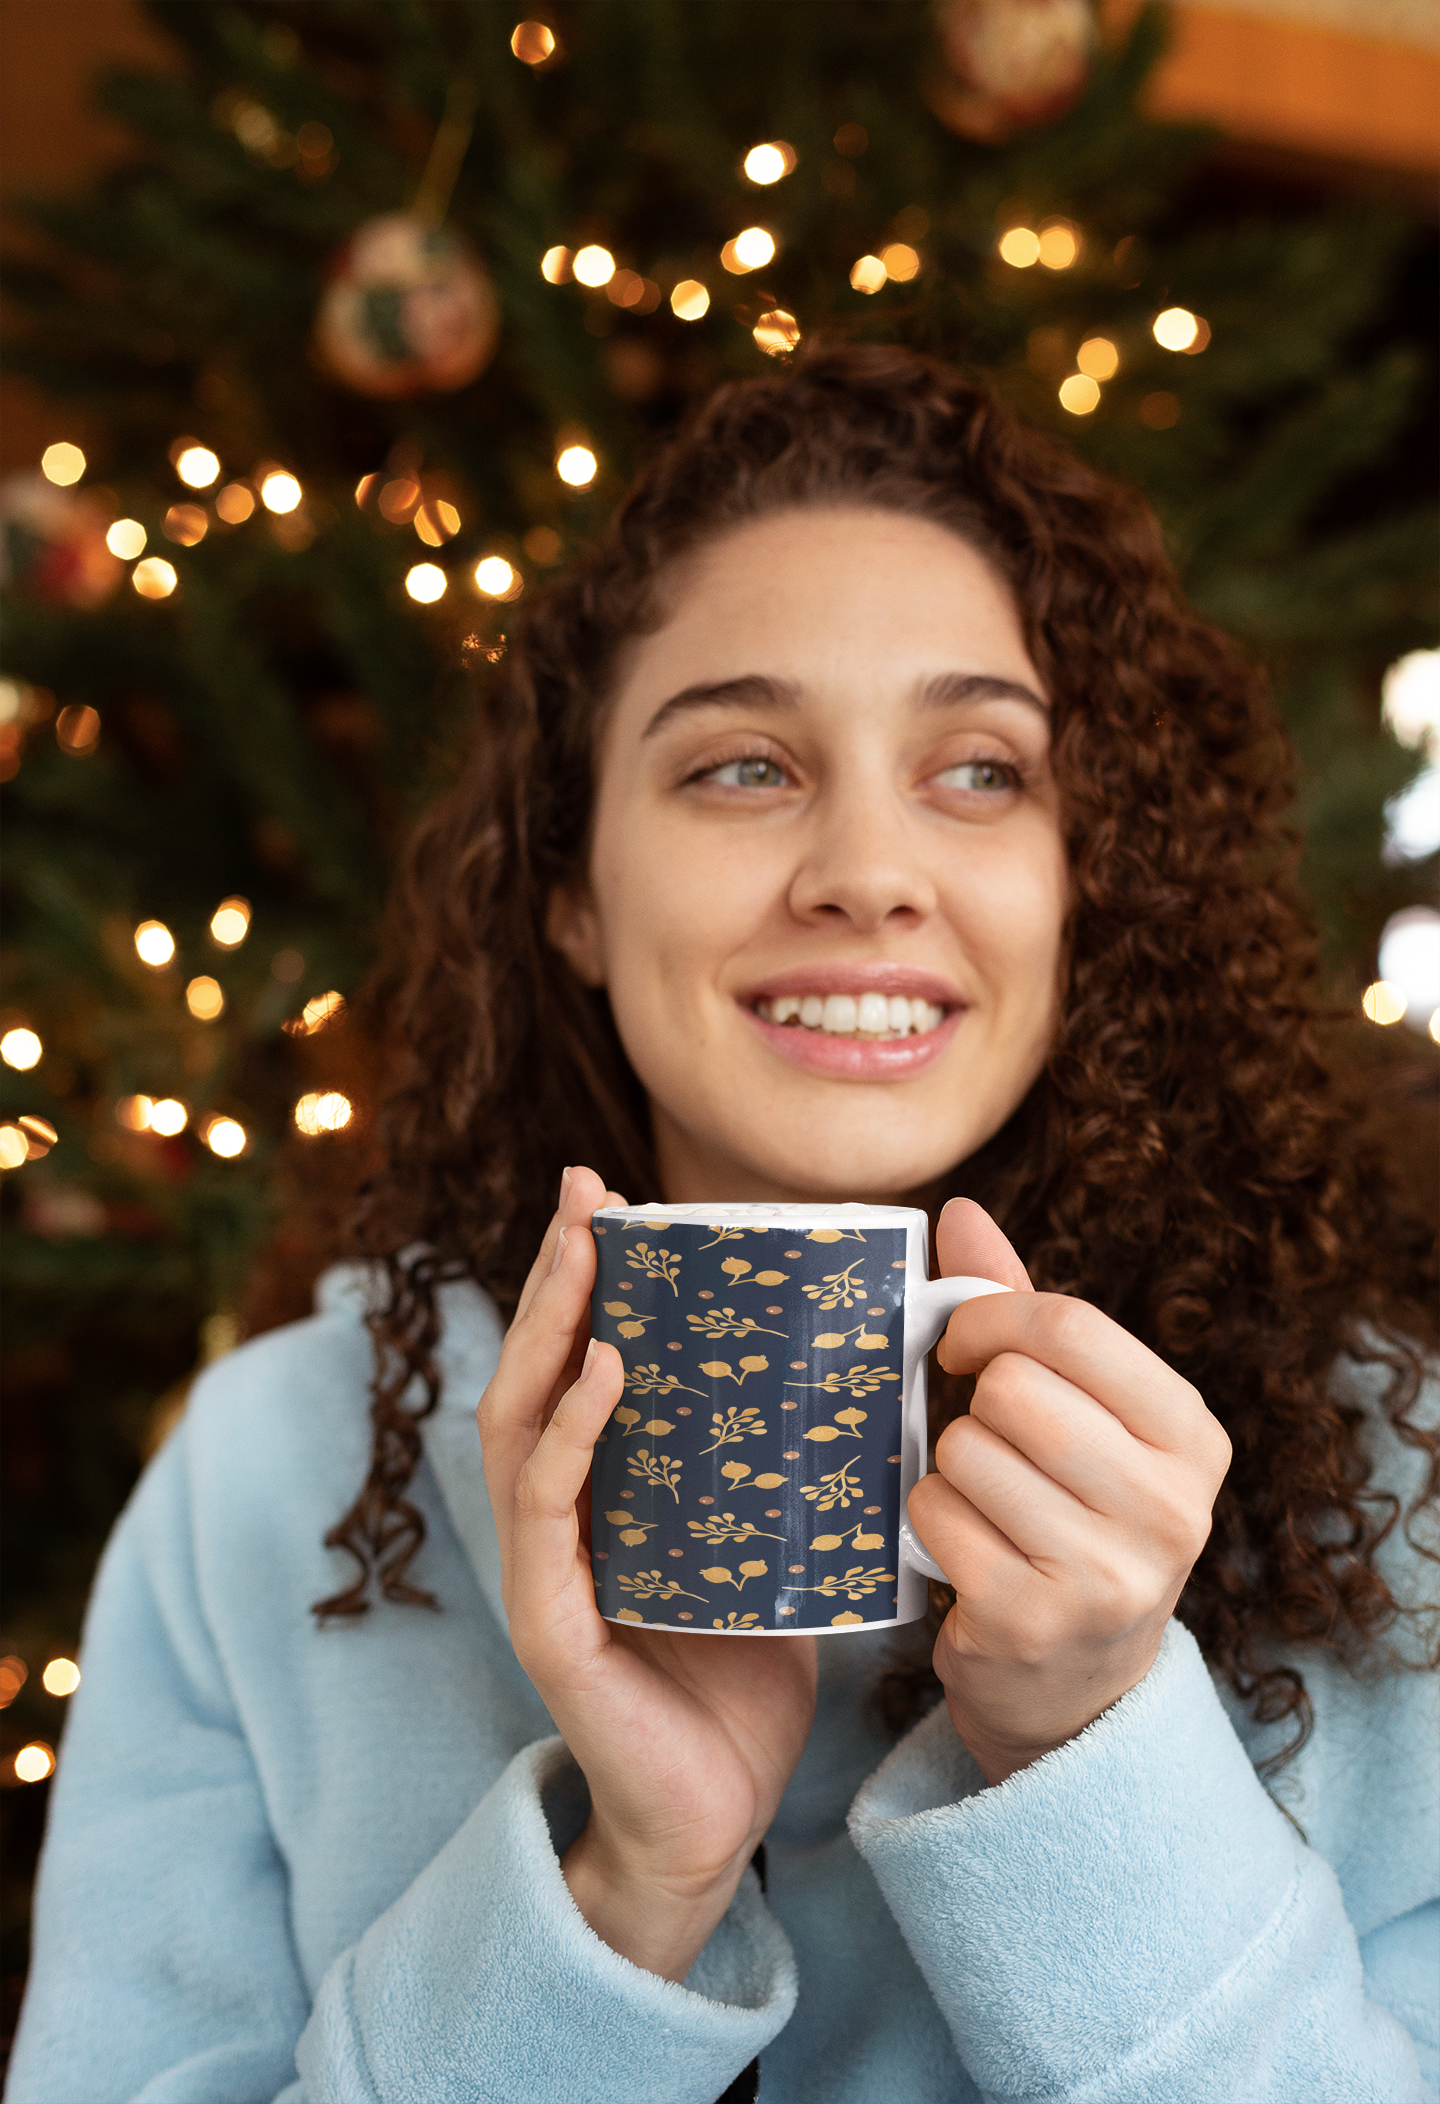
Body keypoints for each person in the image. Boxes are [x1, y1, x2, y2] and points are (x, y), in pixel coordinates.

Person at [8, 346, 1436, 2104]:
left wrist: (1090, 1750)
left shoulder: (1386, 1475)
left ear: (1094, 883)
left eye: (983, 770)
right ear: (573, 898)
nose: (864, 866)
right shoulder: (282, 1472)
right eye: (743, 767)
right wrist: (627, 1888)